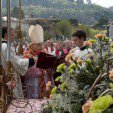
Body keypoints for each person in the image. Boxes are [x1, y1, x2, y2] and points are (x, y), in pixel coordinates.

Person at [1, 26, 37, 98]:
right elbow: (16, 63)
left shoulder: (3, 46)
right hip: (10, 78)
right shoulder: (6, 47)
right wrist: (32, 60)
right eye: (12, 34)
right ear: (6, 35)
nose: (14, 36)